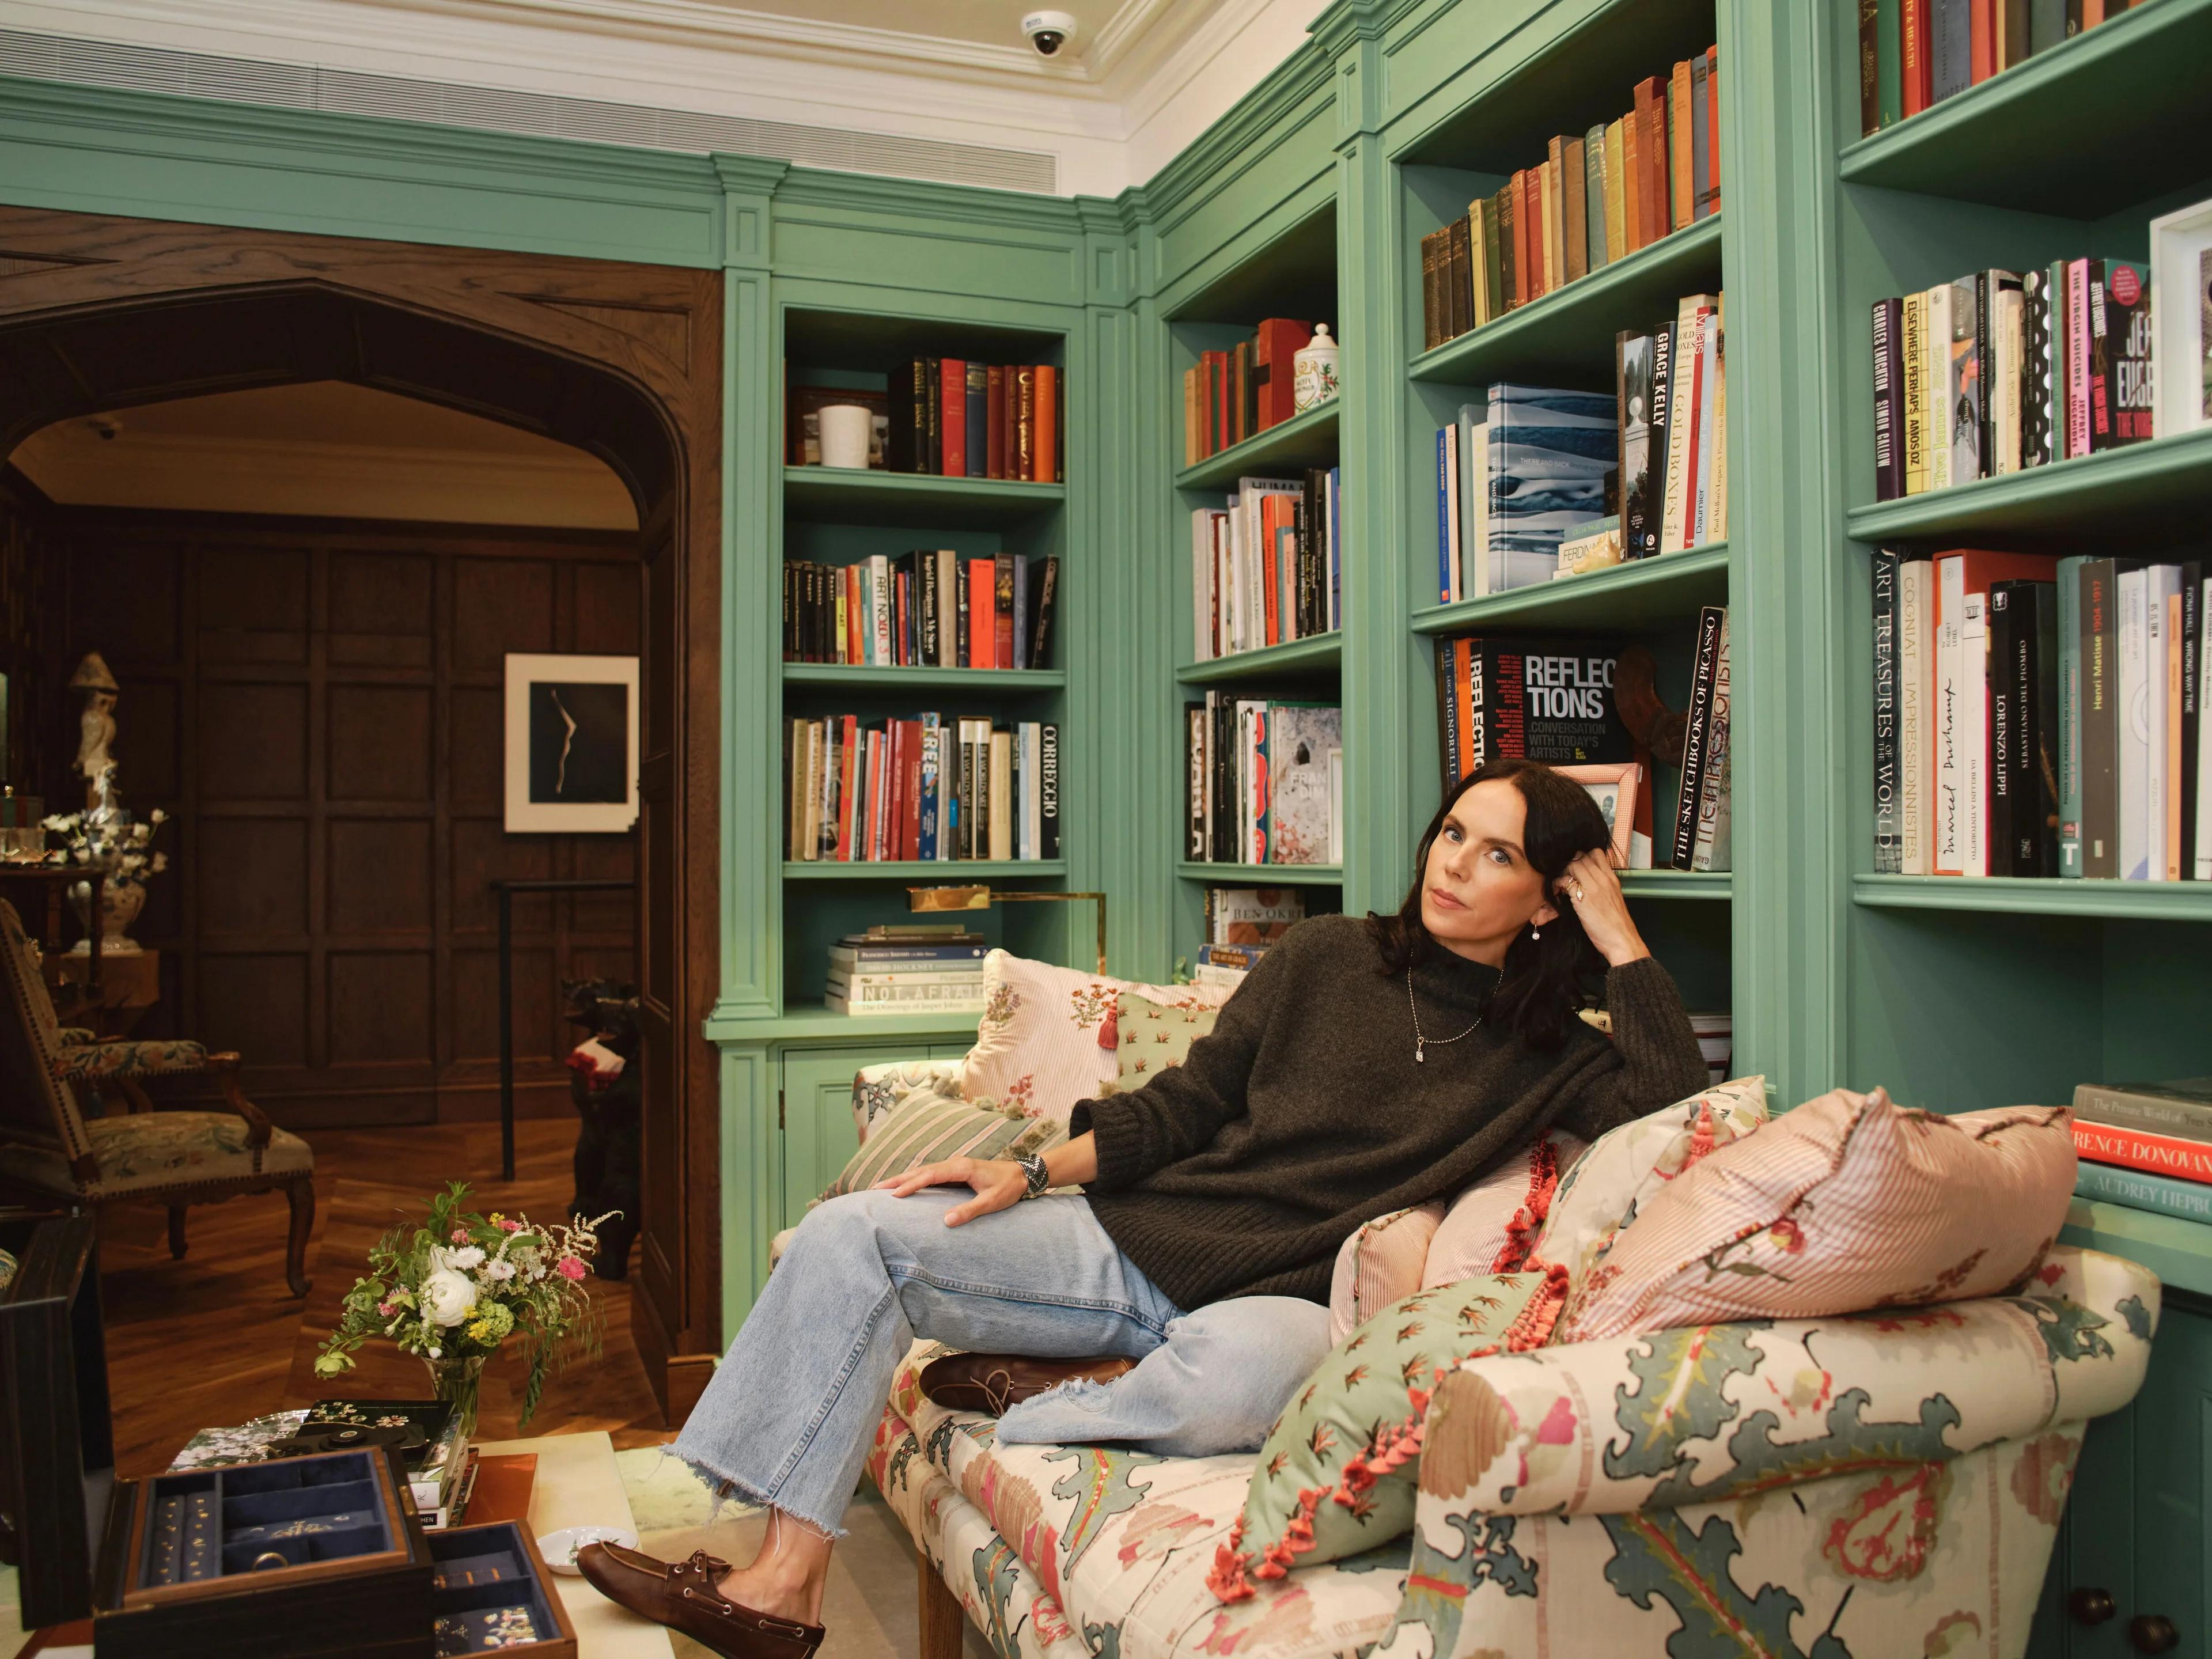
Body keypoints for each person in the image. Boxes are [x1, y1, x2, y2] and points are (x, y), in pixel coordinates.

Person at [579, 757, 1711, 1658]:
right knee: (852, 1233)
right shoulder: (1323, 956)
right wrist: (1026, 1172)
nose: (1456, 863)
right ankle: (781, 1587)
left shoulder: (1548, 1055)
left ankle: (1064, 1386)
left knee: (1236, 1382)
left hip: (1286, 1297)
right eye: (1453, 831)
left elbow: (1673, 1103)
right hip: (1143, 1239)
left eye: (1501, 852)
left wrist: (1621, 940)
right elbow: (1189, 1101)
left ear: (1549, 897)